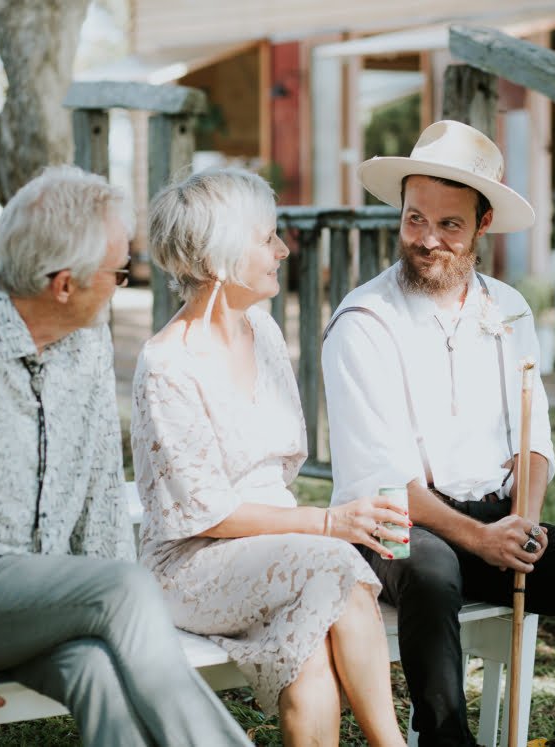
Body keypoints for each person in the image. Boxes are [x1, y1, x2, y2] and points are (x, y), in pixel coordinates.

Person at [0, 165, 250, 746]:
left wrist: (107, 601)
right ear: (63, 284)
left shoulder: (86, 342)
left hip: (42, 603)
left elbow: (101, 494)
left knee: (97, 669)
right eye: (118, 272)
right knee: (126, 587)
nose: (123, 284)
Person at [320, 119, 555, 747]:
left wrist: (522, 524)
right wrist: (480, 540)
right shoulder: (362, 320)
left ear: (482, 224)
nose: (426, 239)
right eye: (414, 219)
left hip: (494, 520)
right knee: (432, 571)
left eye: (449, 224)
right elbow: (382, 482)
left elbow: (533, 440)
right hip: (393, 529)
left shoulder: (508, 308)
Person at [131, 168, 408, 746]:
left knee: (309, 652)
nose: (283, 250)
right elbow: (207, 514)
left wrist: (310, 532)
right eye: (267, 238)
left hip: (281, 548)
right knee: (336, 565)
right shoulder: (167, 365)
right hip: (192, 563)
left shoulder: (264, 331)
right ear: (219, 258)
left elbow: (279, 469)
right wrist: (327, 524)